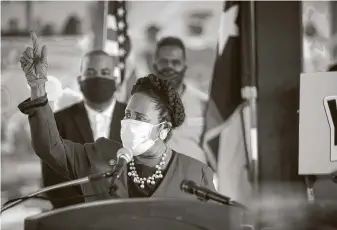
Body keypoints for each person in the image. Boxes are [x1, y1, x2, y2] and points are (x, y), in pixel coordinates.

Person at [18, 32, 215, 202]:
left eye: (140, 118)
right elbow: (50, 148)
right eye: (128, 114)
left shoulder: (196, 174)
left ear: (164, 129)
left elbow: (214, 222)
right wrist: (37, 88)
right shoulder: (101, 155)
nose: (130, 123)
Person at [41, 50, 127, 208]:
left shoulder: (134, 119)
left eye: (105, 72)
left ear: (115, 80)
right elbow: (53, 179)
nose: (98, 77)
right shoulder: (58, 122)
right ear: (80, 80)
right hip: (75, 217)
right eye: (91, 72)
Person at [152, 36, 208, 164]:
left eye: (175, 62)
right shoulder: (139, 105)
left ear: (184, 67)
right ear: (155, 66)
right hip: (155, 181)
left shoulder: (204, 105)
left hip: (195, 180)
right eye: (163, 62)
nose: (169, 67)